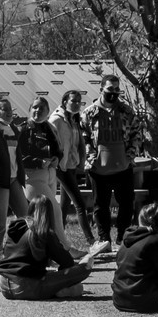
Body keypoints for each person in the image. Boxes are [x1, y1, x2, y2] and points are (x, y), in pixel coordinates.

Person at [84, 76, 145, 251]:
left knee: (126, 203)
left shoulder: (126, 111)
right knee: (100, 205)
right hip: (98, 167)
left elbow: (136, 133)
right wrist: (91, 157)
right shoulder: (89, 113)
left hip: (123, 165)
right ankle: (104, 240)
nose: (113, 94)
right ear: (102, 89)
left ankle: (122, 238)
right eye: (110, 90)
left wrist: (130, 155)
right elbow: (84, 137)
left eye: (116, 90)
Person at [0, 197, 91, 300]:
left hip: (4, 285)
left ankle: (56, 290)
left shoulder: (15, 226)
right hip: (25, 287)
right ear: (50, 214)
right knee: (84, 268)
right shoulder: (46, 233)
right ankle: (59, 290)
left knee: (47, 276)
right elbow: (67, 262)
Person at [0, 96, 29, 250]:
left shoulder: (13, 128)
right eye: (5, 109)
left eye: (11, 109)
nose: (10, 112)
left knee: (26, 216)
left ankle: (18, 249)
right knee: (0, 221)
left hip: (13, 179)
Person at [52, 89, 93, 243]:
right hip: (61, 167)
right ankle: (91, 240)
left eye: (79, 102)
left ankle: (59, 239)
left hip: (71, 165)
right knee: (80, 204)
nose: (76, 104)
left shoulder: (74, 120)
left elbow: (76, 144)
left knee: (64, 205)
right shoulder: (56, 119)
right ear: (65, 101)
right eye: (73, 101)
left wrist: (80, 162)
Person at [18, 97, 64, 208]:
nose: (38, 110)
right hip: (33, 175)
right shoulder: (23, 129)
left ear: (48, 111)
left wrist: (57, 158)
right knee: (54, 209)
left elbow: (59, 150)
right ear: (29, 110)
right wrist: (39, 162)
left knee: (44, 214)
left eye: (42, 108)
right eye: (35, 107)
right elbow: (18, 156)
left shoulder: (51, 128)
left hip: (51, 174)